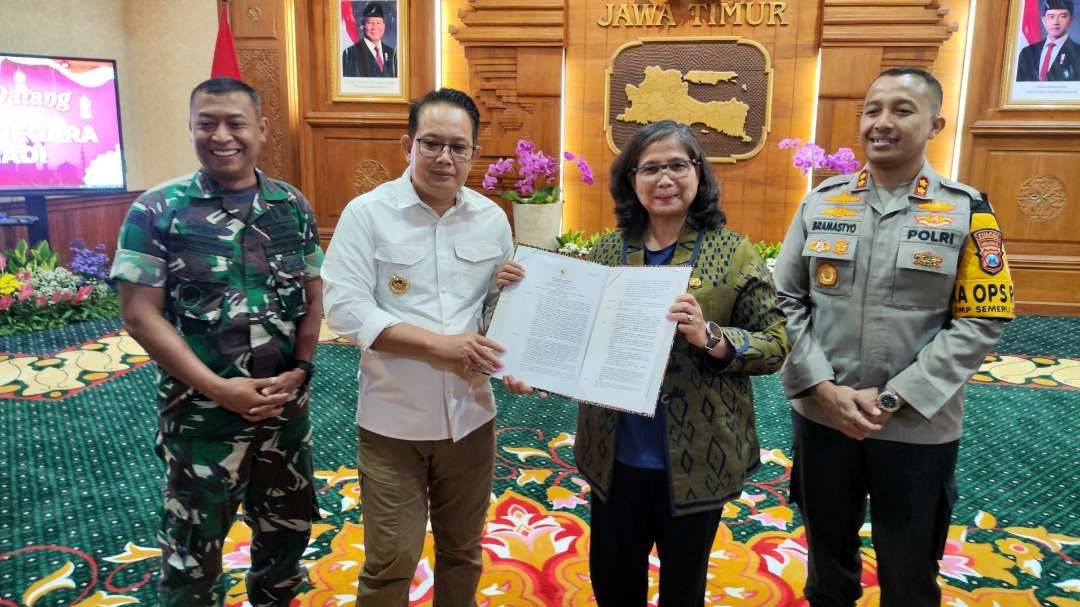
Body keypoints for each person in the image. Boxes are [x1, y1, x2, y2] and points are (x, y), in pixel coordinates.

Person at [772, 67, 1015, 607]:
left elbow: (980, 320)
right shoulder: (821, 202)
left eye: (902, 110)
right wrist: (821, 388)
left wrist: (892, 397)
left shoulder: (968, 210)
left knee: (909, 571)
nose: (881, 123)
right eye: (872, 109)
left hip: (916, 425)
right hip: (823, 417)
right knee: (827, 563)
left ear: (935, 123)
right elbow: (783, 301)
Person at [110, 77, 323, 606]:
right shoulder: (157, 210)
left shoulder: (290, 206)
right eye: (207, 123)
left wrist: (303, 366)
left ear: (262, 130)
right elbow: (139, 315)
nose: (222, 135)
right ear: (191, 129)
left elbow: (315, 296)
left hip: (284, 415)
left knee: (286, 539)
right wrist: (217, 388)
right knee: (192, 559)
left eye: (236, 123)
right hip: (201, 420)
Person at [570, 120, 789, 607]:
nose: (664, 179)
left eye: (676, 165)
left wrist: (712, 337)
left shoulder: (733, 251)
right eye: (649, 168)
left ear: (698, 173)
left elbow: (775, 343)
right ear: (631, 180)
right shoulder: (608, 250)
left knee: (682, 590)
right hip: (614, 453)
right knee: (613, 583)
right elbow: (580, 337)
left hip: (698, 455)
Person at [321, 87, 514, 607]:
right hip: (393, 423)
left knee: (464, 551)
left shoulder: (492, 219)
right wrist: (439, 346)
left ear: (474, 153)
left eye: (458, 146)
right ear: (407, 145)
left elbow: (498, 313)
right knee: (392, 560)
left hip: (471, 419)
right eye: (431, 143)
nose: (444, 157)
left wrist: (518, 325)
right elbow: (343, 309)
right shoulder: (367, 214)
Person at [1016, 0, 1079, 81]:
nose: (1056, 22)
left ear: (1071, 20)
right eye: (1051, 16)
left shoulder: (1078, 53)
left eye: (1062, 16)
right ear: (1044, 21)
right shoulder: (1027, 52)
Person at [342, 2, 397, 78]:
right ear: (363, 25)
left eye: (378, 23)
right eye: (370, 23)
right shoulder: (350, 54)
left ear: (384, 26)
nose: (375, 27)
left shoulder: (392, 53)